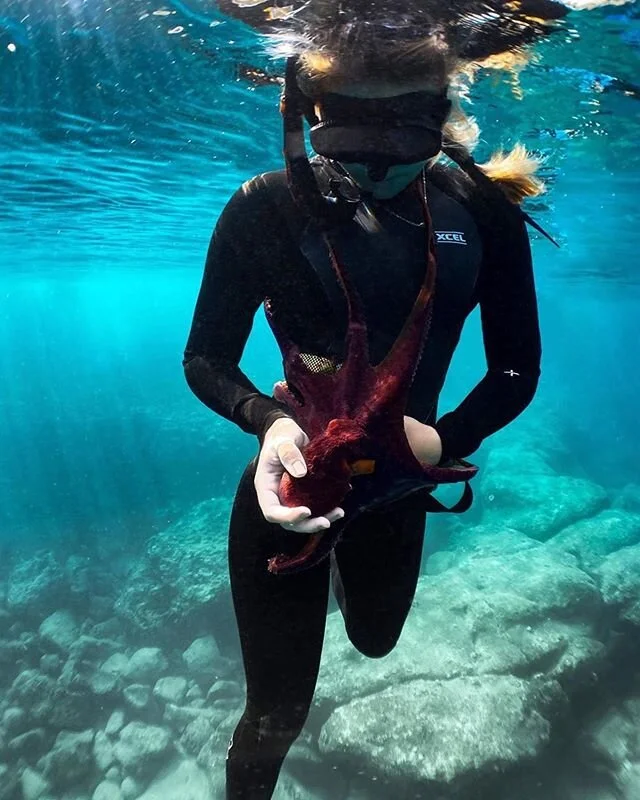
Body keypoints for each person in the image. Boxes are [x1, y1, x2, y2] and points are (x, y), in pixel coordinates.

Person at [183, 1, 565, 796]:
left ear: (442, 115)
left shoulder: (482, 212)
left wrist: (439, 438)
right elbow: (206, 359)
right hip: (288, 485)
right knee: (276, 713)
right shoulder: (265, 206)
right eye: (354, 148)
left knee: (378, 641)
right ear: (309, 114)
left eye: (404, 144)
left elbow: (514, 372)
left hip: (399, 484)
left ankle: (334, 590)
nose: (379, 172)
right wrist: (271, 423)